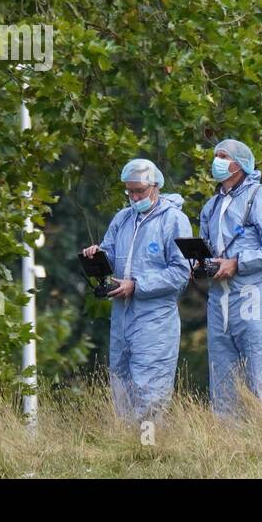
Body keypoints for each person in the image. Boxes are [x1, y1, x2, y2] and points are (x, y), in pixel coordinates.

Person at [82, 158, 192, 421]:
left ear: (156, 187)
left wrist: (138, 286)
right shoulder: (123, 218)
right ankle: (128, 452)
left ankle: (149, 449)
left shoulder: (175, 221)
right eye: (129, 191)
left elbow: (181, 272)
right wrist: (96, 255)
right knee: (121, 387)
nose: (133, 197)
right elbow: (109, 254)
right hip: (122, 318)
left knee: (149, 390)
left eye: (139, 191)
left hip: (154, 321)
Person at [199, 138, 262, 417]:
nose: (217, 161)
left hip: (255, 298)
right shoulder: (211, 206)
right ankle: (230, 448)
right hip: (220, 301)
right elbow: (206, 246)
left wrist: (237, 263)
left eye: (223, 156)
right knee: (224, 380)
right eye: (216, 156)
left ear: (240, 164)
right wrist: (201, 264)